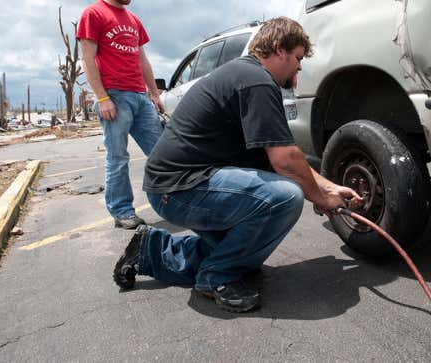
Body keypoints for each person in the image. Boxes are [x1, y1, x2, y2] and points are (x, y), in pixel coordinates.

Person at [112, 17, 363, 313]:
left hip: (182, 184)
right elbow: (284, 161)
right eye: (297, 58)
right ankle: (215, 278)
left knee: (241, 251)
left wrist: (330, 187)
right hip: (180, 188)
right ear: (279, 50)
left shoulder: (246, 74)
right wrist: (320, 197)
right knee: (286, 197)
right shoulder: (256, 80)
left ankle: (151, 252)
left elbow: (290, 159)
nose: (298, 69)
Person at [77, 0, 164, 229]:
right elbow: (87, 58)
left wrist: (154, 93)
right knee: (118, 158)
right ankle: (122, 210)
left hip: (139, 96)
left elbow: (142, 58)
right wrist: (102, 97)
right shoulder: (94, 13)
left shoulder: (133, 19)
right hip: (114, 95)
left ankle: (174, 200)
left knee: (162, 153)